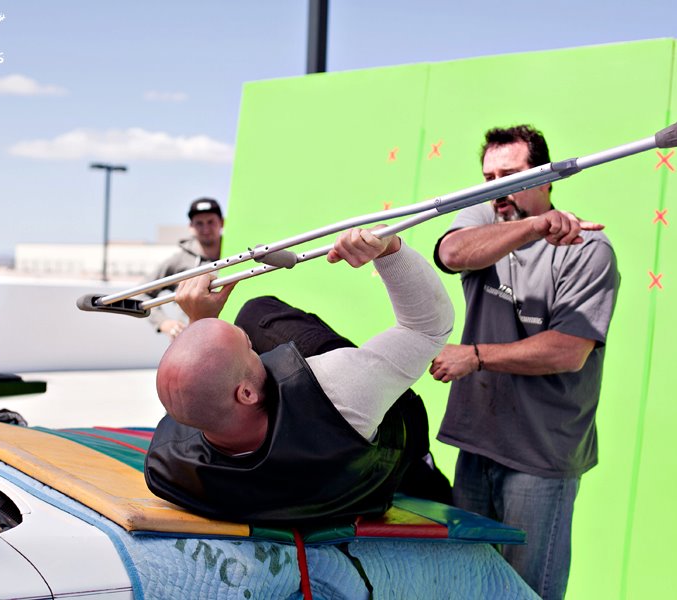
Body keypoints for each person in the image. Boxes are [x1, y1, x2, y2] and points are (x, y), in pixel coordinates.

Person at [145, 227, 454, 525]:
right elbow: (426, 329)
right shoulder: (339, 391)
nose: (251, 343)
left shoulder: (167, 466)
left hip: (307, 488)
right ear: (246, 394)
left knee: (237, 341)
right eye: (248, 347)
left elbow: (194, 393)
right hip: (381, 463)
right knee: (256, 313)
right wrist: (390, 250)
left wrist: (199, 319)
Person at [429, 125, 620, 600]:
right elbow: (451, 252)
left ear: (545, 177)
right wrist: (532, 227)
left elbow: (567, 351)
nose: (496, 187)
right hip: (478, 445)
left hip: (540, 456)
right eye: (488, 176)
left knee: (524, 592)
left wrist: (475, 356)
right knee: (468, 588)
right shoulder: (486, 226)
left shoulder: (589, 251)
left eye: (509, 175)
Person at [145, 197, 224, 339]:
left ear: (222, 222)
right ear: (191, 226)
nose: (205, 228)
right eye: (199, 223)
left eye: (210, 222)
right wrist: (165, 323)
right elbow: (141, 293)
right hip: (192, 341)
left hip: (233, 338)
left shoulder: (237, 252)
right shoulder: (179, 260)